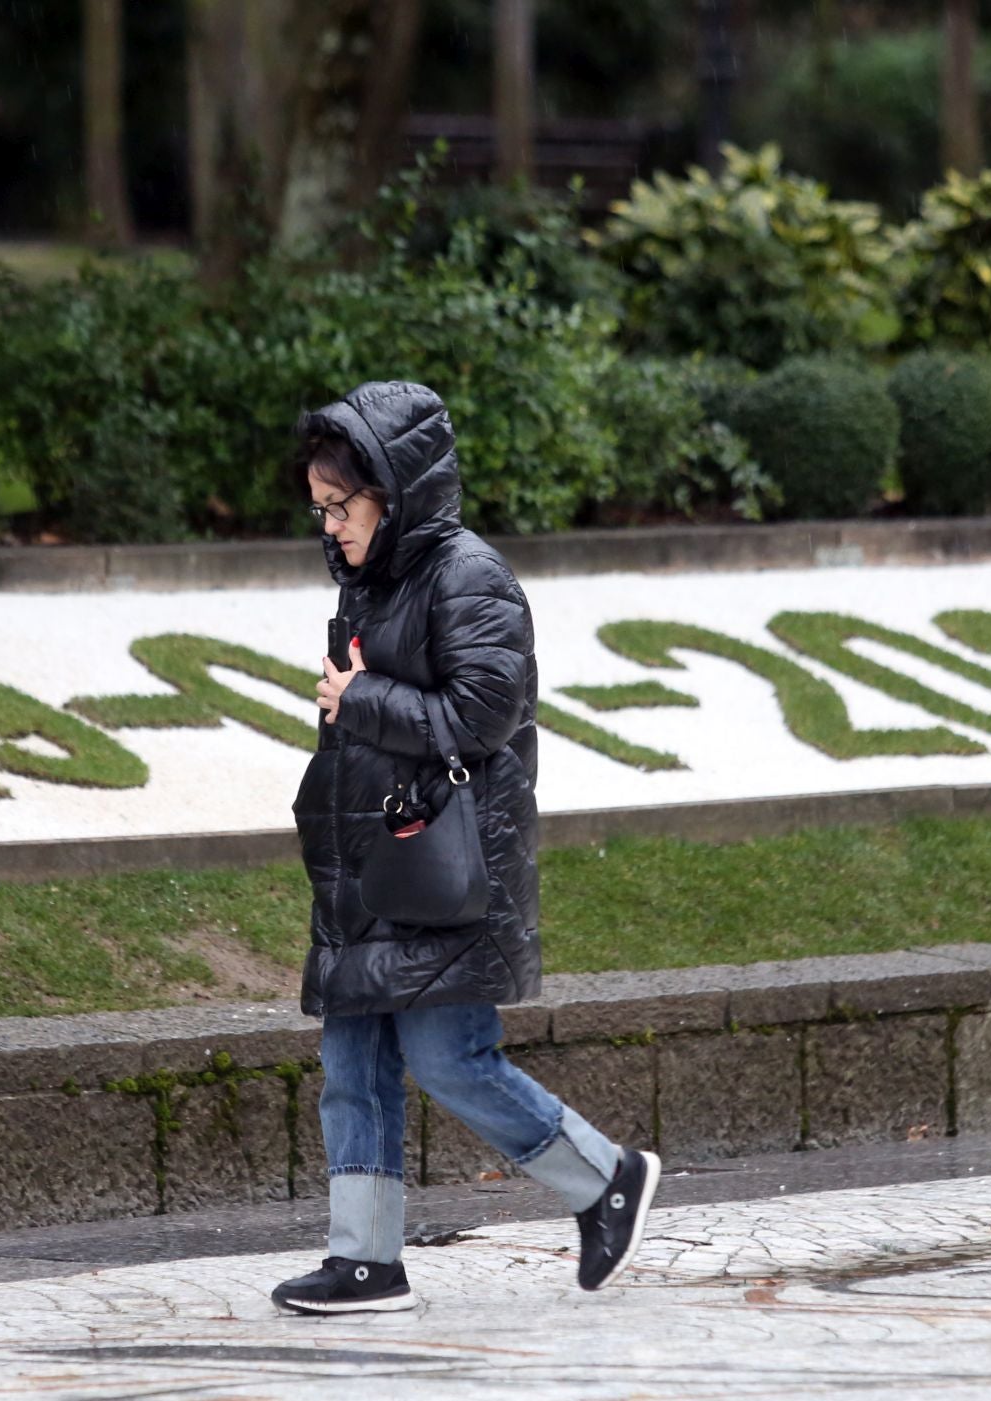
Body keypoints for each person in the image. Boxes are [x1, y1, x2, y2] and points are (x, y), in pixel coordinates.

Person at [272, 380, 660, 1316]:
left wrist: (357, 700)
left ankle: (605, 1178)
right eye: (319, 509)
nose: (329, 527)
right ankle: (365, 1260)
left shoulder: (469, 575)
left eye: (342, 506)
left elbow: (484, 715)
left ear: (394, 491)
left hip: (442, 866)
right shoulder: (373, 580)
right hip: (369, 864)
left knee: (450, 1057)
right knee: (351, 1064)